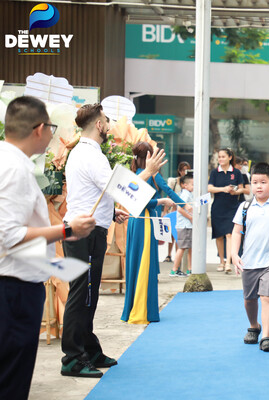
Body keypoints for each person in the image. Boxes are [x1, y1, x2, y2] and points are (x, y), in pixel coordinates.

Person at [0, 96, 96, 399]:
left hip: (15, 281)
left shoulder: (9, 160)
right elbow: (8, 234)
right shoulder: (14, 169)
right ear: (40, 128)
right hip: (12, 287)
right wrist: (66, 229)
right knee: (12, 376)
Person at [61, 103, 166, 378]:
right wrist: (148, 171)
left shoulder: (86, 152)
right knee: (82, 295)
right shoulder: (88, 154)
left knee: (88, 295)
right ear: (98, 125)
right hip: (82, 234)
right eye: (107, 121)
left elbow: (97, 192)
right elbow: (117, 187)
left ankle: (88, 349)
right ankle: (72, 357)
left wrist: (111, 212)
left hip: (88, 229)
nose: (109, 126)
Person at [121, 142, 187, 324]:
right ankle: (142, 310)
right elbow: (151, 198)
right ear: (148, 157)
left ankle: (137, 307)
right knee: (144, 264)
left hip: (137, 222)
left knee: (139, 263)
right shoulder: (147, 175)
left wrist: (179, 202)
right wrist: (164, 201)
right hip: (144, 222)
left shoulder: (135, 174)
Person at [231, 162, 269, 352]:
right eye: (255, 182)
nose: (259, 186)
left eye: (263, 182)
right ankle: (254, 326)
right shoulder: (245, 207)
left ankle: (266, 336)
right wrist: (234, 254)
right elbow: (237, 231)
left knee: (267, 297)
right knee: (250, 299)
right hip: (249, 261)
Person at [208, 148, 245, 273]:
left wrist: (235, 192)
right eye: (219, 157)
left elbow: (242, 189)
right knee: (219, 236)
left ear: (230, 157)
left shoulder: (236, 172)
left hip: (232, 207)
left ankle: (228, 262)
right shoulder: (214, 172)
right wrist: (223, 189)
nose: (220, 159)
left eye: (223, 156)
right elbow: (210, 188)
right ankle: (221, 262)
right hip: (218, 207)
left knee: (230, 234)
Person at [164, 161, 191, 263]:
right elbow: (169, 195)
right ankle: (168, 254)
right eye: (183, 170)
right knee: (171, 234)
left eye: (187, 169)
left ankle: (177, 257)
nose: (185, 172)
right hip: (173, 210)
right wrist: (165, 211)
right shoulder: (174, 181)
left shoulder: (190, 182)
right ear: (179, 171)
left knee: (179, 235)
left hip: (185, 212)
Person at [171, 174, 194, 277]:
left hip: (187, 225)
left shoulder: (188, 193)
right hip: (185, 225)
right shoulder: (185, 194)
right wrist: (190, 218)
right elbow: (180, 209)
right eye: (192, 184)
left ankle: (190, 269)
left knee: (189, 247)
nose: (194, 187)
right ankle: (174, 269)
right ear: (185, 185)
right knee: (182, 247)